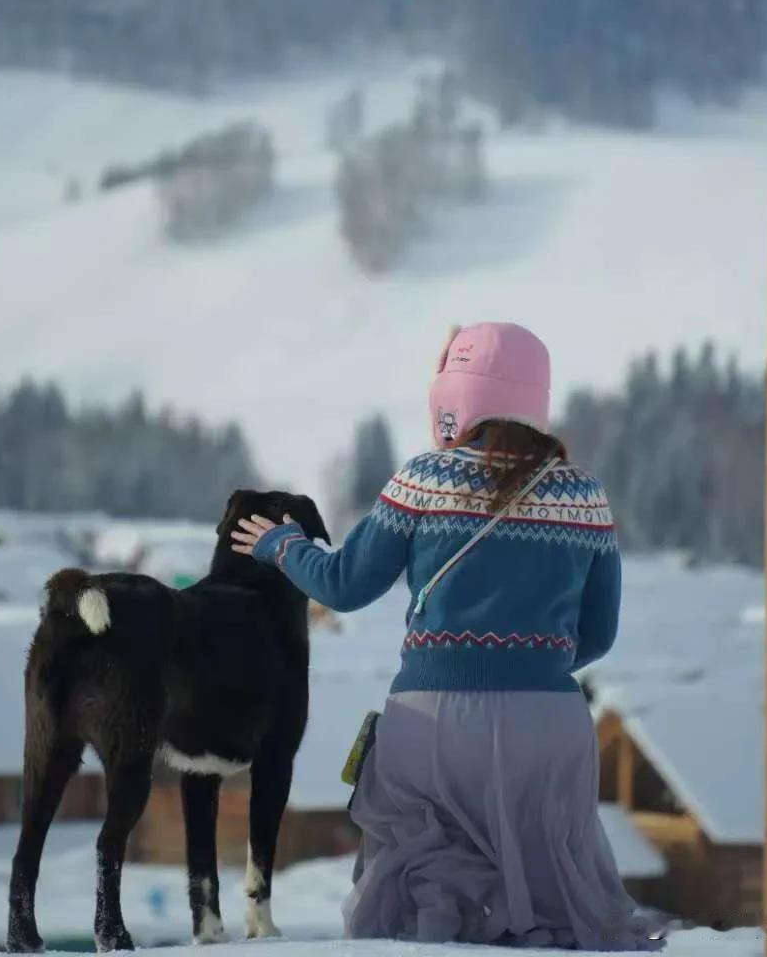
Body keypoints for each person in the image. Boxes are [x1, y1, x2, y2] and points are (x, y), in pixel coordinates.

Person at [232, 322, 664, 951]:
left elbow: (344, 585)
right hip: (550, 731)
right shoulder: (585, 495)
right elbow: (598, 635)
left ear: (452, 395)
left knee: (428, 899)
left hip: (434, 725)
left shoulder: (425, 478)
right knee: (550, 901)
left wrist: (280, 545)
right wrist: (530, 667)